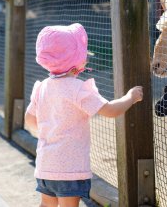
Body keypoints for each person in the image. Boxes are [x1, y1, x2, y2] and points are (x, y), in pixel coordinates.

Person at [24, 23, 143, 207]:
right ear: (74, 59)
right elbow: (110, 111)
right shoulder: (78, 89)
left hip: (45, 165)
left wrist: (49, 135)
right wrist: (130, 97)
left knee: (46, 205)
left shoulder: (42, 87)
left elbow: (29, 120)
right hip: (70, 169)